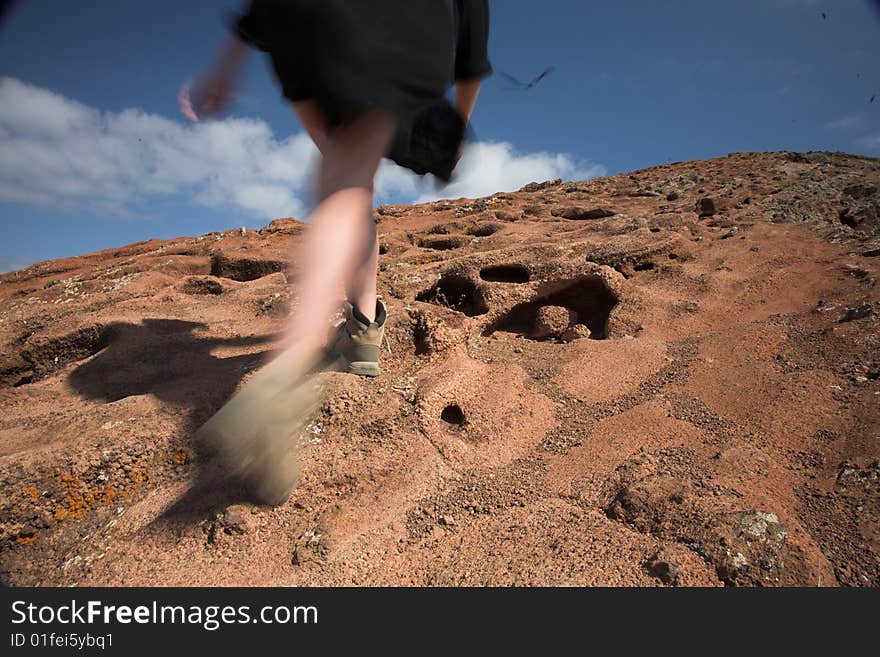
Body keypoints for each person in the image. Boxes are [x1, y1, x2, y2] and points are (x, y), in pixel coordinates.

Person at [181, 0, 492, 506]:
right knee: (348, 184)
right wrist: (459, 117)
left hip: (304, 31)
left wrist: (226, 67)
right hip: (395, 24)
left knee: (348, 184)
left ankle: (364, 330)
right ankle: (286, 376)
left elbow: (257, 12)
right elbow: (472, 37)